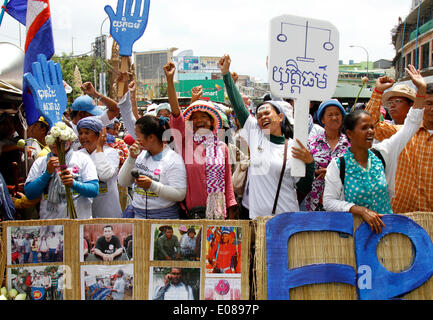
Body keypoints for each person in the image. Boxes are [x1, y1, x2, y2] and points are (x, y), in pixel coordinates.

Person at [323, 64, 426, 233]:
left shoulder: (383, 153)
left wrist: (421, 89)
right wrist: (360, 210)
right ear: (349, 133)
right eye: (364, 128)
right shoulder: (338, 165)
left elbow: (411, 125)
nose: (371, 132)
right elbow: (329, 202)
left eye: (372, 127)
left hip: (388, 232)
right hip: (355, 234)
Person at [220, 54, 315, 219]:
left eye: (267, 113)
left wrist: (310, 164)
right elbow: (239, 106)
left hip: (287, 217)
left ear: (280, 117)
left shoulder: (294, 146)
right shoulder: (256, 134)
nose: (262, 117)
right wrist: (226, 75)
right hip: (258, 219)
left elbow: (304, 186)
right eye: (258, 115)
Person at [164, 61, 237, 219]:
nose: (199, 120)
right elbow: (176, 114)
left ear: (211, 122)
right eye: (194, 118)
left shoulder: (222, 147)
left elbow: (227, 181)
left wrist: (231, 212)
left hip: (218, 214)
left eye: (203, 116)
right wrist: (170, 81)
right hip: (191, 214)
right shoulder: (185, 143)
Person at [365, 76, 433, 213]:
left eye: (398, 101)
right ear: (419, 106)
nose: (432, 109)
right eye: (429, 104)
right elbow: (372, 125)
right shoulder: (403, 132)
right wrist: (378, 91)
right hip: (401, 213)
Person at [24, 124, 99, 220]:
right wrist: (47, 173)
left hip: (77, 222)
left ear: (70, 141)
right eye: (53, 139)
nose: (56, 143)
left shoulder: (83, 159)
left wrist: (74, 184)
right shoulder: (41, 162)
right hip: (49, 225)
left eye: (61, 140)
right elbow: (30, 194)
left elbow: (94, 190)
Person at [118, 115, 187, 219]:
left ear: (151, 137)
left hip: (163, 220)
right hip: (138, 217)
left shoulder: (173, 160)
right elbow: (123, 182)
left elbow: (180, 194)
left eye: (138, 136)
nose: (136, 140)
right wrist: (131, 158)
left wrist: (152, 185)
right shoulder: (140, 155)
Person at [304, 99, 350, 211]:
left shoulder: (350, 144)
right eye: (330, 115)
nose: (334, 117)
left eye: (337, 114)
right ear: (323, 119)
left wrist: (331, 173)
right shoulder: (312, 143)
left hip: (342, 202)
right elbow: (304, 170)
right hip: (314, 202)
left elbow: (356, 170)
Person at [77, 117, 122, 218]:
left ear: (99, 135)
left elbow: (104, 175)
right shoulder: (77, 155)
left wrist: (99, 148)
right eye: (80, 133)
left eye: (87, 133)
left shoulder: (111, 153)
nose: (83, 136)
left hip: (107, 210)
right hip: (84, 211)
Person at [69, 82, 120, 150]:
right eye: (91, 113)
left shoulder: (94, 123)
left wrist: (96, 94)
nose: (94, 116)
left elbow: (116, 109)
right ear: (81, 114)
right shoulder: (66, 130)